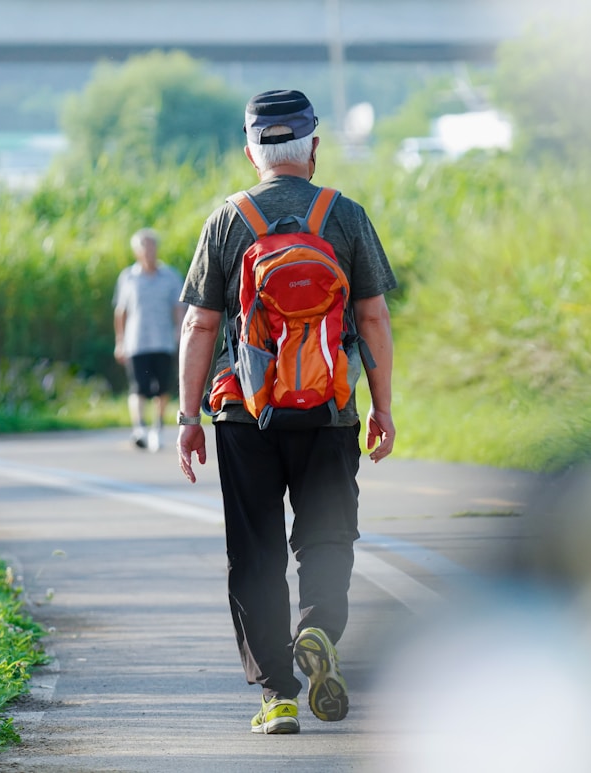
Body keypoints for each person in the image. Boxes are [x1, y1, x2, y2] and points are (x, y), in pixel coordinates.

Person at [176, 89, 397, 734]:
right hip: (329, 409)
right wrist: (380, 407)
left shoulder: (228, 219)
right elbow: (372, 316)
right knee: (327, 536)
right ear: (314, 148)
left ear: (251, 153)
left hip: (245, 413)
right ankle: (318, 630)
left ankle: (275, 695)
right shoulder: (345, 214)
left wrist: (189, 418)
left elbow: (199, 324)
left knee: (256, 551)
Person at [113, 228, 186, 452]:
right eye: (144, 246)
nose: (148, 250)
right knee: (138, 388)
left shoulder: (170, 276)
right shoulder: (128, 277)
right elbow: (121, 311)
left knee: (162, 388)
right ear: (137, 251)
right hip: (137, 342)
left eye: (151, 245)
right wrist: (120, 341)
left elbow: (179, 307)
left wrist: (180, 332)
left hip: (163, 340)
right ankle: (140, 429)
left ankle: (157, 429)